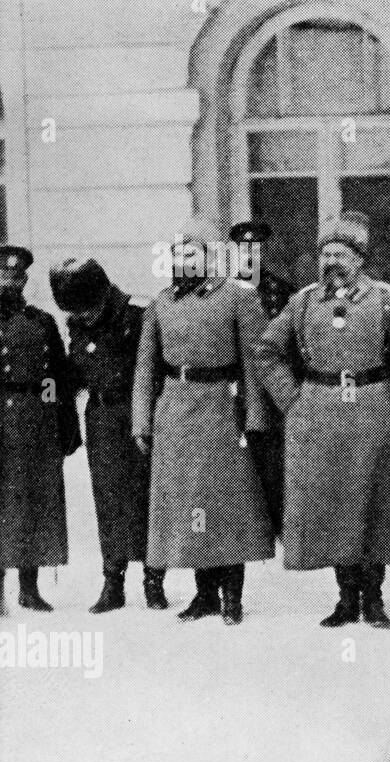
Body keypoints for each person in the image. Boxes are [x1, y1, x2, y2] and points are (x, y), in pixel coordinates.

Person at [256, 211, 390, 629]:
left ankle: (374, 599)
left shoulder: (387, 300)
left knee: (375, 506)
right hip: (318, 414)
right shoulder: (304, 302)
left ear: (360, 260)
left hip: (373, 411)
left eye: (342, 254)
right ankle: (345, 598)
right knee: (332, 509)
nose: (332, 261)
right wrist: (292, 399)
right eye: (326, 253)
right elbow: (267, 352)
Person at [132, 217, 273, 625]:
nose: (183, 259)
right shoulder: (161, 303)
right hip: (175, 411)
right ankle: (204, 594)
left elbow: (255, 362)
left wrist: (255, 418)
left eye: (192, 251)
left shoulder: (238, 297)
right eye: (178, 253)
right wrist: (142, 421)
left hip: (223, 410)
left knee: (226, 501)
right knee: (189, 503)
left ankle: (232, 596)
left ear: (211, 256)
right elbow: (146, 370)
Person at [51, 258, 167, 612]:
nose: (83, 317)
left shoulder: (137, 316)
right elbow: (73, 374)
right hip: (100, 418)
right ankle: (113, 582)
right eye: (77, 312)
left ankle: (153, 580)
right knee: (108, 498)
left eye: (88, 309)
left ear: (102, 293)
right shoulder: (77, 324)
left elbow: (155, 371)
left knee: (147, 495)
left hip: (137, 416)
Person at [0, 245, 79, 616]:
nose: (11, 282)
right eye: (4, 276)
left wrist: (63, 422)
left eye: (17, 277)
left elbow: (56, 378)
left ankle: (28, 589)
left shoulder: (42, 322)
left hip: (35, 420)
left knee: (33, 502)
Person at [230, 220, 295, 539]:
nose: (249, 256)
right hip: (234, 385)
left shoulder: (280, 291)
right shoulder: (223, 291)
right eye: (243, 249)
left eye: (255, 249)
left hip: (271, 384)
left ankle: (276, 521)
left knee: (273, 454)